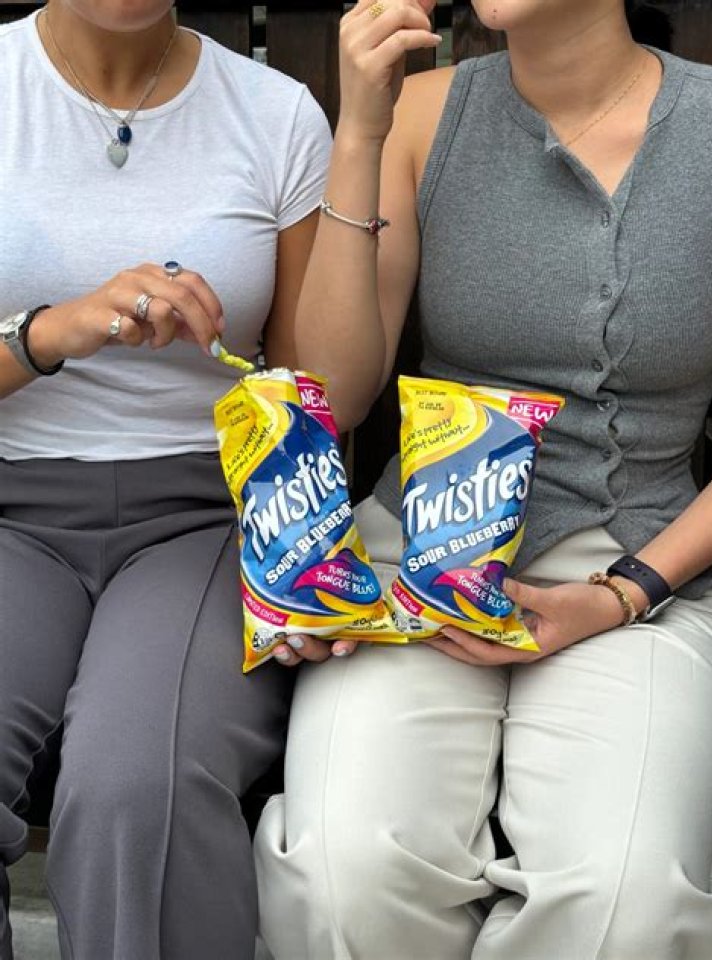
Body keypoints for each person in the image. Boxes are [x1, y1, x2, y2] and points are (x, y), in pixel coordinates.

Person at [253, 1, 712, 958]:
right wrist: (360, 133)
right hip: (420, 557)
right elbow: (334, 393)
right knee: (347, 873)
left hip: (644, 572)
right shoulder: (421, 117)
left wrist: (625, 592)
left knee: (624, 897)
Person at [0, 1, 331, 958]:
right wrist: (51, 332)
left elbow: (309, 390)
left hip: (202, 519)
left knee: (137, 781)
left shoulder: (274, 114)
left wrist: (307, 566)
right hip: (12, 506)